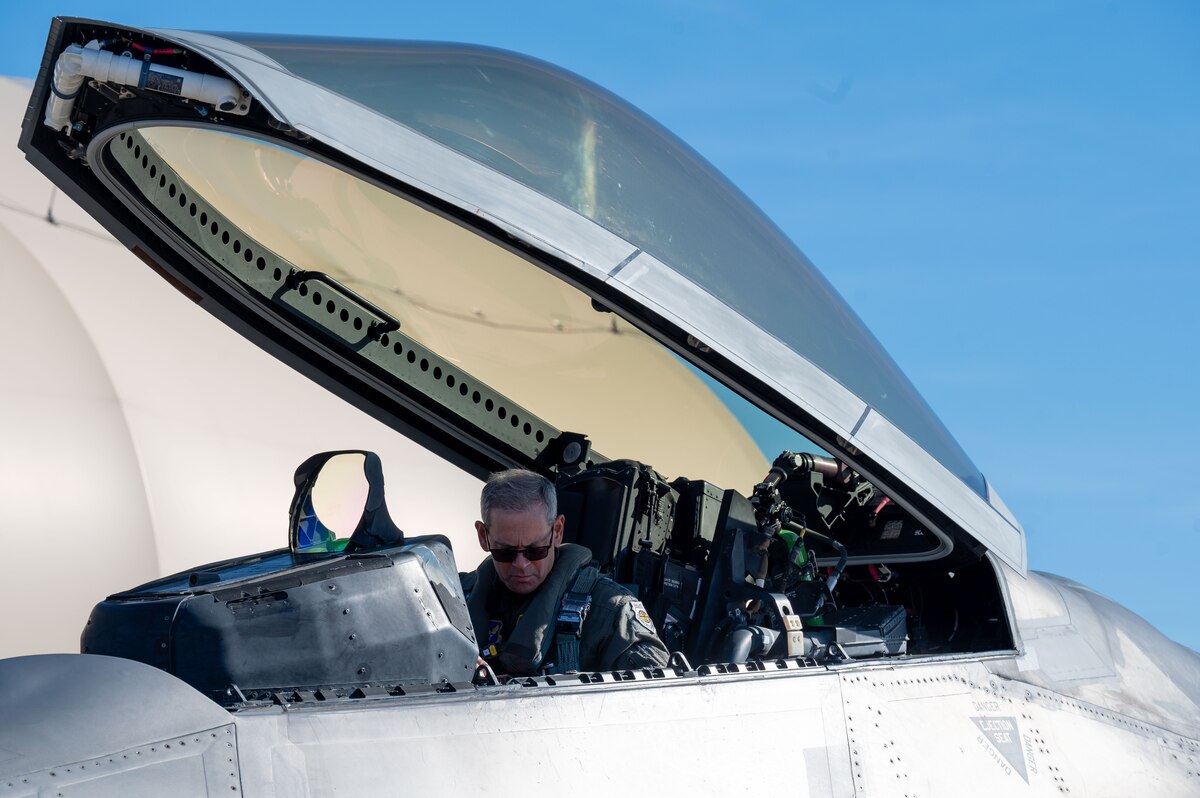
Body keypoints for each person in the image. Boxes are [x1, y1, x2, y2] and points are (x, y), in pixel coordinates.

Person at [460, 469, 670, 676]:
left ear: (558, 531)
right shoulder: (456, 600)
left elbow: (659, 691)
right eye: (506, 551)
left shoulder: (610, 612)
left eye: (535, 550)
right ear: (483, 536)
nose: (521, 564)